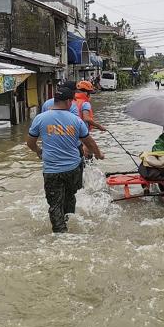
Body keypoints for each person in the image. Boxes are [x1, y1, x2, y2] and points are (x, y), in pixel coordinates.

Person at [27, 86, 104, 233]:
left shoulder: (40, 118)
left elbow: (30, 143)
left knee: (55, 204)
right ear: (69, 101)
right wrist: (99, 155)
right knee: (70, 197)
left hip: (51, 171)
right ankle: (69, 222)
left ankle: (60, 234)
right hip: (72, 169)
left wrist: (39, 151)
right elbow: (89, 143)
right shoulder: (76, 120)